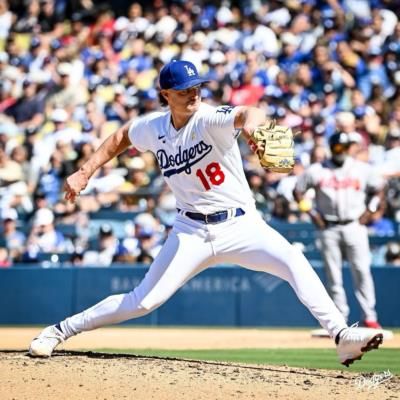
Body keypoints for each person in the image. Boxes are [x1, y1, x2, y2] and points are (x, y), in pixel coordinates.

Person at [29, 60, 383, 366]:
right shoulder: (154, 127)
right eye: (184, 90)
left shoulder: (209, 118)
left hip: (242, 226)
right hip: (190, 231)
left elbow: (248, 113)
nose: (193, 93)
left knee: (293, 260)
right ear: (166, 94)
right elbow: (120, 136)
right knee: (143, 301)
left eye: (197, 86)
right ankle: (58, 331)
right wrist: (86, 170)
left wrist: (256, 129)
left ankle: (341, 336)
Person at [294, 132, 385, 329]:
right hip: (329, 226)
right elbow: (298, 190)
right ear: (332, 148)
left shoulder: (361, 169)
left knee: (362, 271)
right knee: (333, 275)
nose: (340, 151)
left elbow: (379, 189)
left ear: (348, 148)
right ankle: (340, 319)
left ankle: (369, 316)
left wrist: (370, 210)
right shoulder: (318, 170)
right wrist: (311, 212)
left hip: (354, 224)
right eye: (337, 147)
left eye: (343, 147)